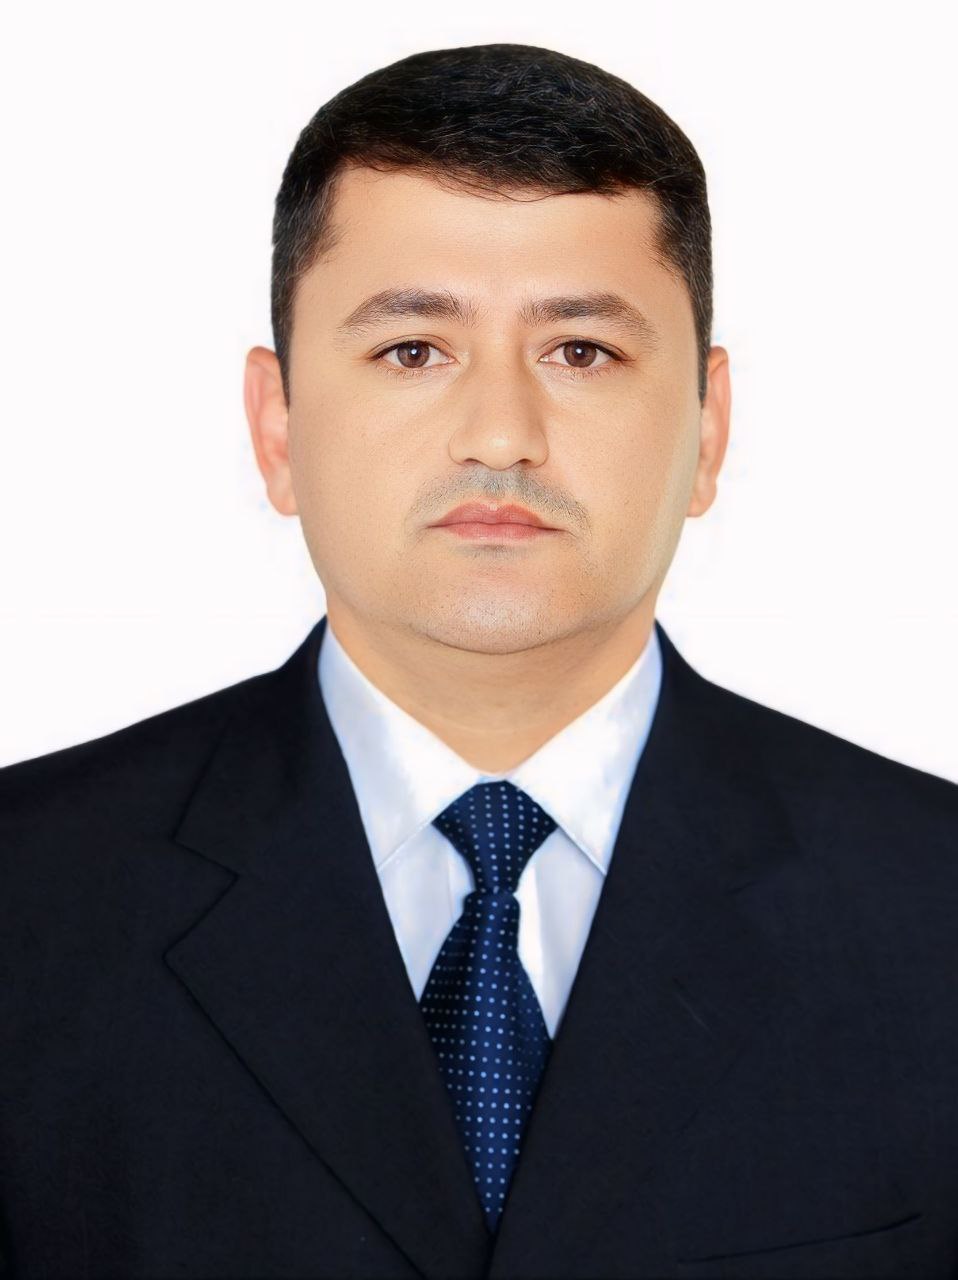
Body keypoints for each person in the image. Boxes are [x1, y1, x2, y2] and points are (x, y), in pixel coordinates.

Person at [1, 40, 956, 1280]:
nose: (501, 433)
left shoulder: (930, 907)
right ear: (276, 425)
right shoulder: (28, 896)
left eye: (581, 351)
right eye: (413, 349)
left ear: (708, 426)